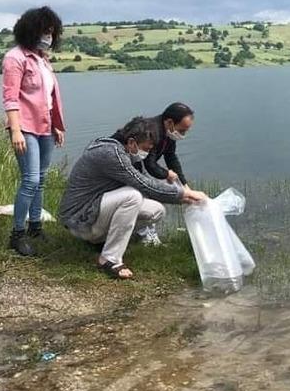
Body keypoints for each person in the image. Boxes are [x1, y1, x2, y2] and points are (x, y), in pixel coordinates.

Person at [59, 116, 207, 279]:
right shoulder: (111, 154)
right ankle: (109, 258)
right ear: (131, 142)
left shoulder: (126, 153)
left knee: (156, 211)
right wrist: (184, 194)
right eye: (146, 148)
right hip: (79, 219)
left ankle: (102, 241)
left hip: (93, 210)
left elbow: (147, 181)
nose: (147, 153)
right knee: (132, 196)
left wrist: (182, 198)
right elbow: (143, 184)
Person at [2, 6, 66, 256]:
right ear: (31, 30)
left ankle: (35, 227)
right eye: (44, 31)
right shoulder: (15, 58)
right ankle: (16, 235)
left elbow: (50, 97)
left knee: (41, 179)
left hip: (45, 127)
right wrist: (15, 130)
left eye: (52, 32)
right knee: (31, 180)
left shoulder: (42, 59)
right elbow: (10, 98)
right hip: (25, 127)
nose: (48, 36)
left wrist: (57, 125)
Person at [133, 102, 196, 246]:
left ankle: (144, 234)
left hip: (139, 169)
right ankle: (147, 237)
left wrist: (184, 184)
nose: (183, 135)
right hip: (131, 169)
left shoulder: (168, 133)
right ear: (170, 122)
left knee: (153, 193)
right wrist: (166, 174)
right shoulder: (152, 131)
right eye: (182, 130)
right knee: (150, 196)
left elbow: (171, 157)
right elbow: (149, 164)